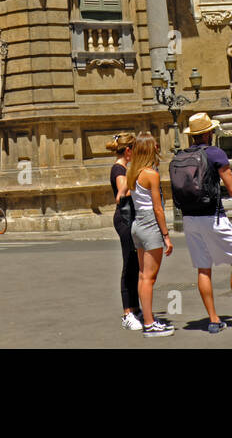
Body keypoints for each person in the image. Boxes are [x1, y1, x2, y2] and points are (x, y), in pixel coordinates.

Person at [178, 113, 232, 333]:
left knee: (203, 269)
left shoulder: (181, 156)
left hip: (190, 218)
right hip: (213, 217)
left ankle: (214, 319)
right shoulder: (215, 153)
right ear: (208, 133)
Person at [119, 132, 174, 337]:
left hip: (137, 225)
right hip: (150, 224)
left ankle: (148, 319)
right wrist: (166, 235)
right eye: (155, 146)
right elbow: (158, 209)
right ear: (150, 149)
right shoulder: (151, 174)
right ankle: (150, 323)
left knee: (143, 276)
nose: (158, 148)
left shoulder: (132, 171)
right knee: (149, 278)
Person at [105, 132, 142, 331]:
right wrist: (135, 174)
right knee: (129, 263)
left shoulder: (124, 168)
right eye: (135, 150)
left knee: (136, 264)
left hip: (131, 218)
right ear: (128, 151)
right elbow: (123, 193)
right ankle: (127, 312)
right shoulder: (119, 169)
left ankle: (135, 308)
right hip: (125, 219)